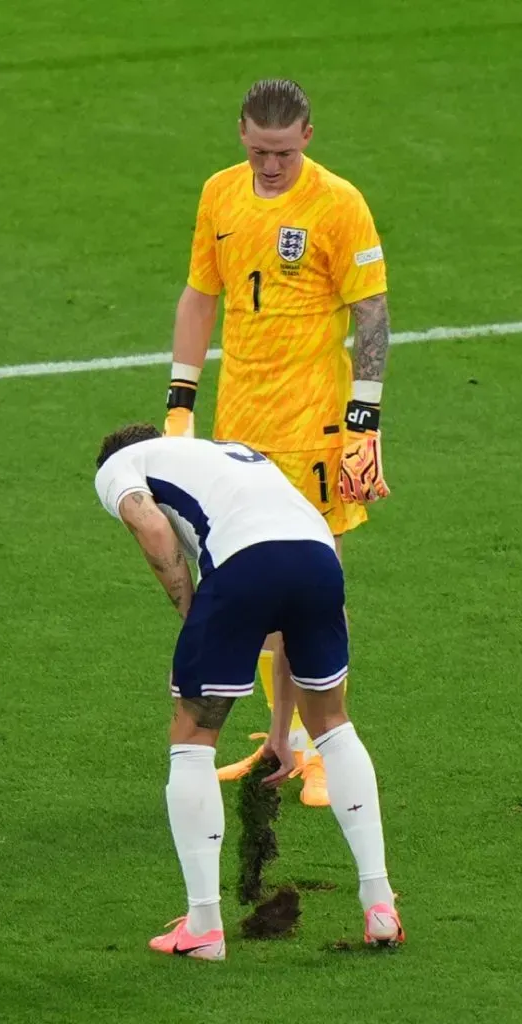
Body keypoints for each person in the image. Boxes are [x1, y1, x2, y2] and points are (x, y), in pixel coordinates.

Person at [163, 78, 391, 808]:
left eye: (283, 153)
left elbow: (373, 315)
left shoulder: (337, 203)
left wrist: (364, 426)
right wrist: (180, 404)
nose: (270, 166)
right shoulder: (220, 195)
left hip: (316, 429)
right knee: (253, 590)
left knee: (316, 592)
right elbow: (202, 294)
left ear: (308, 139)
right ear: (240, 135)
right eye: (259, 151)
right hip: (240, 430)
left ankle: (328, 746)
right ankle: (280, 740)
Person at [94, 425, 403, 960]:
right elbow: (285, 614)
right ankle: (380, 905)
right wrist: (281, 735)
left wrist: (191, 612)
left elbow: (151, 527)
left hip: (245, 566)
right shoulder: (238, 459)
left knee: (191, 737)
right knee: (333, 724)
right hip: (318, 560)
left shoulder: (123, 463)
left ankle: (204, 927)